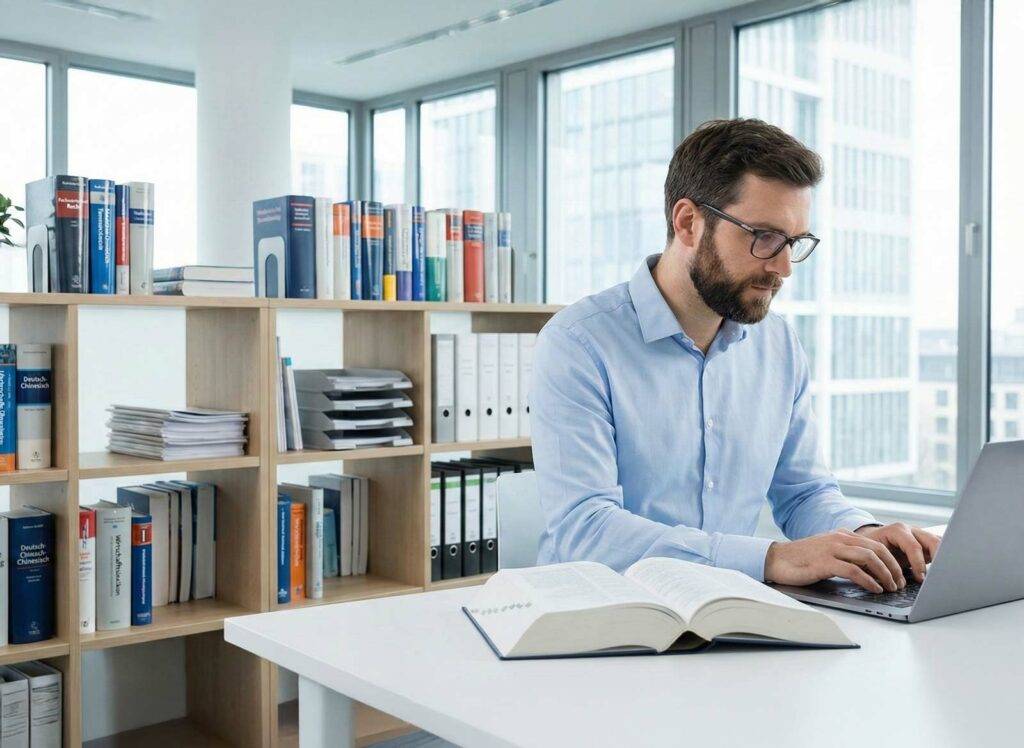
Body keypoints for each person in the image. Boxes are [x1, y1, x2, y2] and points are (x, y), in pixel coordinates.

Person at [530, 117, 940, 594]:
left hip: (725, 611)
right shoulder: (578, 343)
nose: (783, 267)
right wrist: (769, 558)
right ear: (688, 223)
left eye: (793, 242)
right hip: (598, 616)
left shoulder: (779, 345)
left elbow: (804, 492)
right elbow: (586, 530)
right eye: (763, 236)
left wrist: (866, 540)